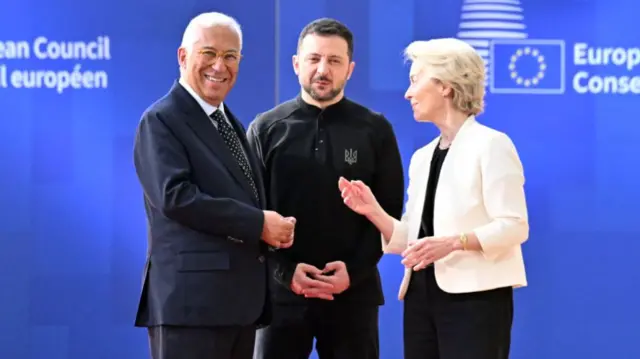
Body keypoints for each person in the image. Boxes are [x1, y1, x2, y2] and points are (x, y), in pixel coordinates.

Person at [338, 37, 529, 359]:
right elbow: (411, 239)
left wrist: (455, 242)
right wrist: (372, 210)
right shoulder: (423, 157)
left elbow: (514, 226)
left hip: (474, 299)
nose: (408, 93)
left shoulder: (492, 145)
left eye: (415, 80)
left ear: (446, 86)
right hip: (420, 296)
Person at [132, 12, 296, 359]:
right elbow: (176, 197)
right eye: (209, 53)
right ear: (183, 57)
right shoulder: (161, 120)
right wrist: (259, 224)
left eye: (230, 56)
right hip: (192, 308)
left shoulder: (229, 122)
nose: (219, 66)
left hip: (238, 307)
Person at [246, 18, 405, 359]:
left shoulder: (375, 130)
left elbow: (390, 214)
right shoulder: (266, 129)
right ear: (296, 64)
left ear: (350, 68)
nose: (323, 69)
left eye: (334, 61)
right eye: (314, 59)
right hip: (280, 296)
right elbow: (250, 212)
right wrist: (285, 272)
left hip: (354, 295)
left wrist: (355, 271)